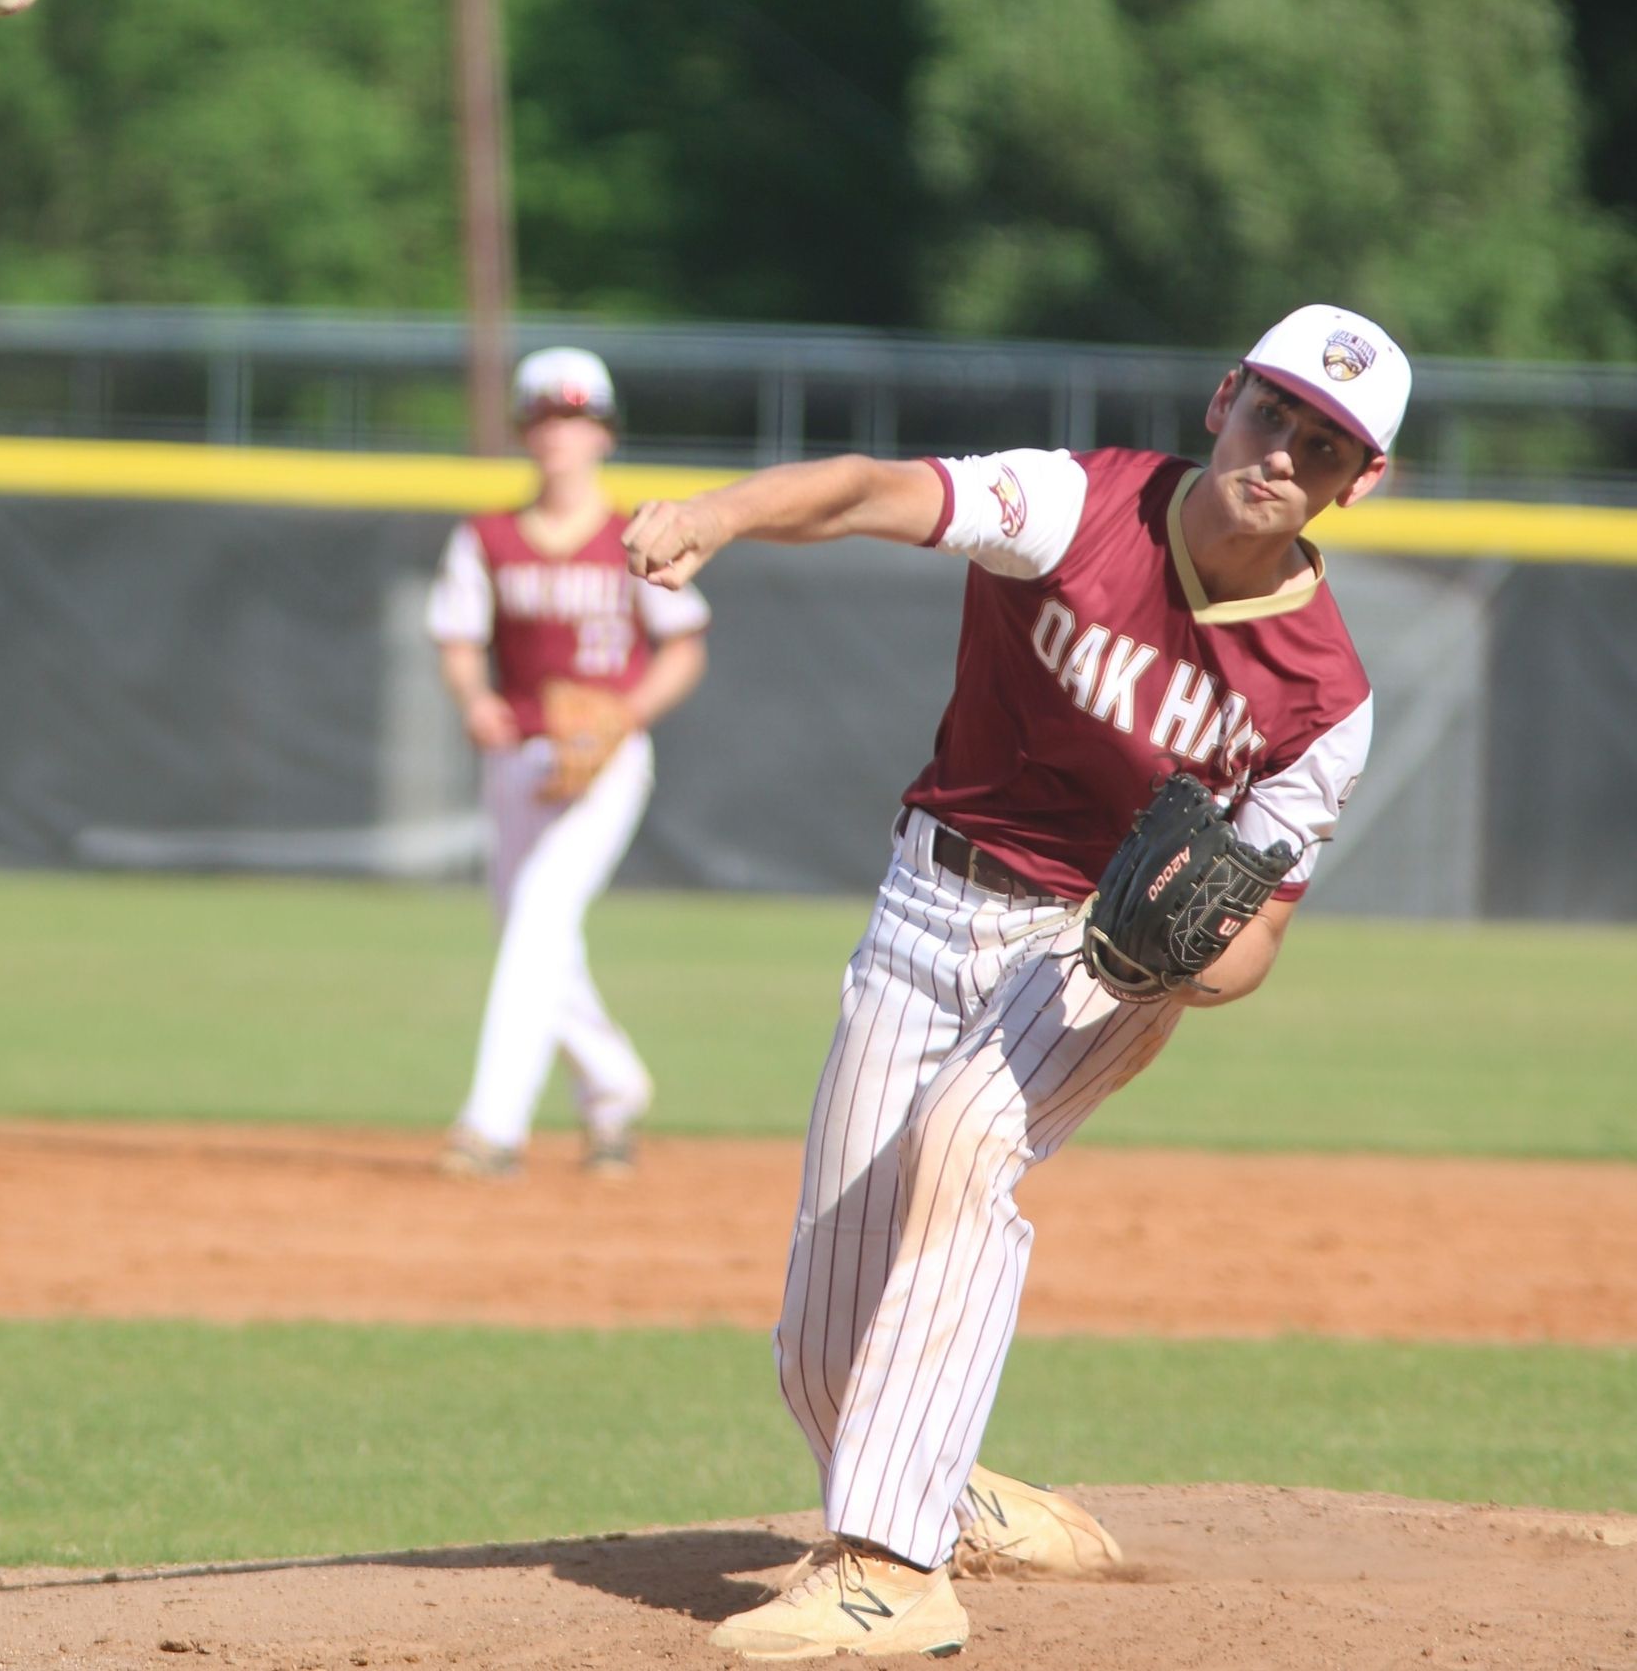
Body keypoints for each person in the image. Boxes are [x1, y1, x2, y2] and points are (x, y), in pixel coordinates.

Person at [624, 305, 1410, 1658]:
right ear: (1224, 397)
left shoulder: (1325, 699)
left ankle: (892, 1574)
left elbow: (1258, 939)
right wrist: (722, 512)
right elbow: (873, 491)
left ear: (1361, 479)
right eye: (1273, 411)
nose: (1284, 451)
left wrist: (1185, 957)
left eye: (1325, 444)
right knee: (823, 1348)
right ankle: (946, 1497)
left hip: (1095, 957)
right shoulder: (1073, 506)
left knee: (964, 1146)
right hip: (928, 900)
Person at [427, 347, 710, 1178]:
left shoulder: (631, 535)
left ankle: (493, 1128)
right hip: (519, 755)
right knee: (533, 935)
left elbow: (684, 643)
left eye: (577, 417)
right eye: (546, 416)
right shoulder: (487, 537)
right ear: (524, 430)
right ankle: (613, 1088)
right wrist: (473, 699)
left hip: (607, 762)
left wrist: (629, 712)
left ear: (605, 434)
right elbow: (457, 639)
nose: (560, 432)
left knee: (540, 916)